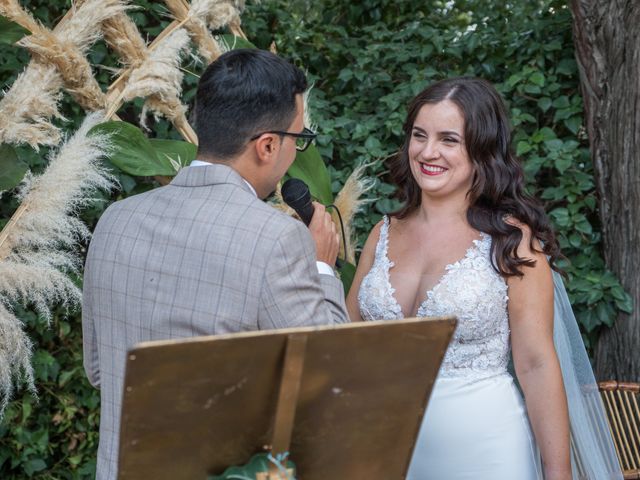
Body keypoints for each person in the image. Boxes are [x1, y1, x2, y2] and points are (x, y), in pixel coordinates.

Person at [82, 49, 349, 480]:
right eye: (297, 139)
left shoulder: (115, 220)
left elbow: (99, 370)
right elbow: (329, 378)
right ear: (267, 145)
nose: (294, 152)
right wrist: (322, 268)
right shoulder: (277, 238)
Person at [347, 77, 621, 479]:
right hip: (385, 449)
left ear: (482, 149)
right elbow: (346, 337)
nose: (428, 152)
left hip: (484, 450)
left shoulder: (511, 242)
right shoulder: (382, 232)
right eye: (419, 136)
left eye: (449, 140)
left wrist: (557, 473)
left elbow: (536, 364)